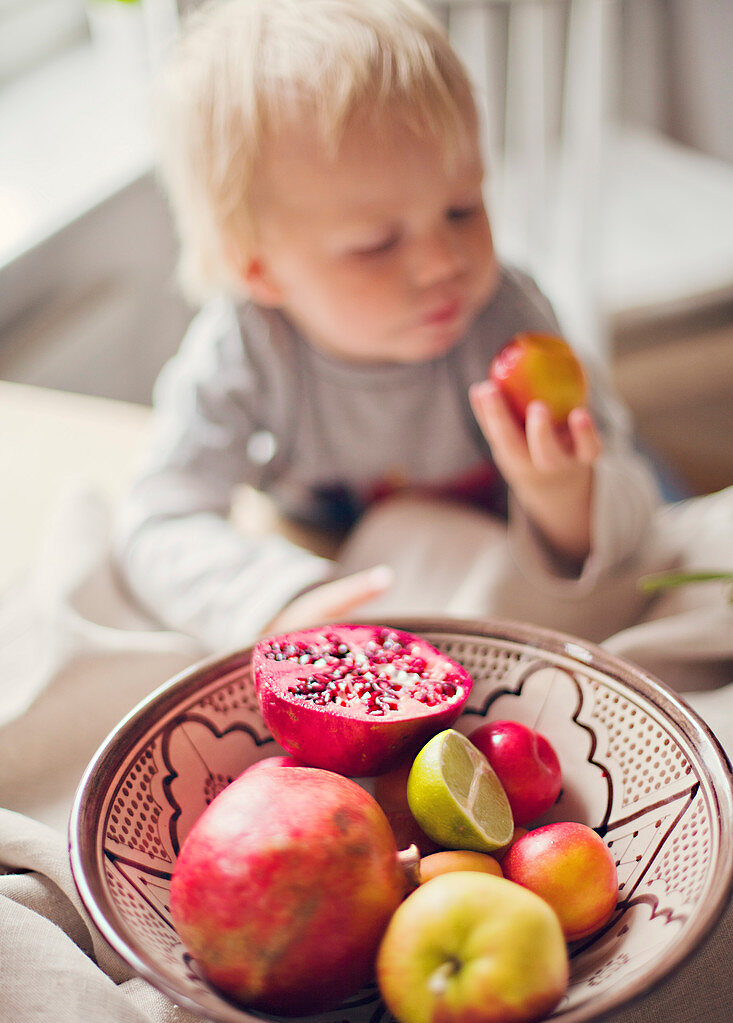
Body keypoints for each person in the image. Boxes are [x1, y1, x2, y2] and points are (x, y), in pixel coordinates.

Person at [114, 0, 660, 653]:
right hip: (350, 563)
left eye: (462, 208)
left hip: (490, 555)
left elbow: (629, 505)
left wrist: (563, 498)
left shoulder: (503, 317)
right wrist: (275, 602)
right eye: (376, 243)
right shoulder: (248, 349)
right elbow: (157, 519)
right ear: (258, 270)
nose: (444, 262)